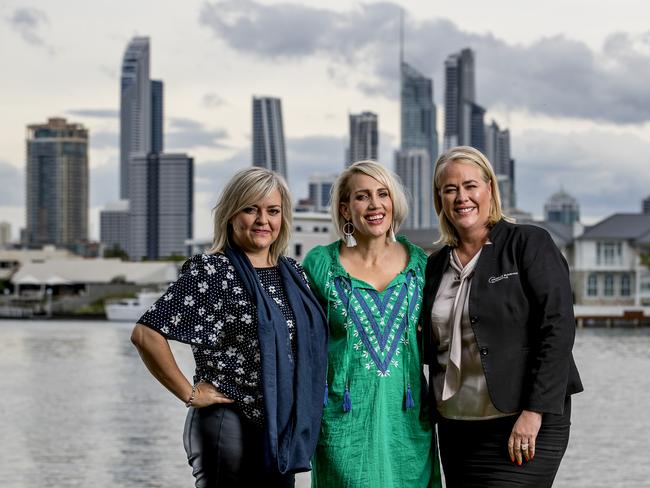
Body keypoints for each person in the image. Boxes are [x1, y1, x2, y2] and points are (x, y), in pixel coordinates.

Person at [130, 167, 328, 487]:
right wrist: (189, 392)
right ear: (231, 215)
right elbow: (145, 333)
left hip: (279, 426)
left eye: (273, 211)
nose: (263, 220)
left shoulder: (293, 273)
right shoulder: (213, 271)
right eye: (251, 209)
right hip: (228, 422)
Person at [422, 146, 583, 487]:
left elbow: (558, 328)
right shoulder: (435, 265)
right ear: (440, 199)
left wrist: (533, 411)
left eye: (470, 186)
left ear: (490, 189)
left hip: (523, 422)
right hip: (457, 427)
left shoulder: (528, 243)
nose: (461, 197)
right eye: (450, 189)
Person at [303, 160, 440, 487]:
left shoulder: (422, 265)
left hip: (405, 423)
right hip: (343, 422)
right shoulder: (321, 265)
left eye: (383, 194)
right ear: (346, 209)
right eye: (362, 197)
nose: (375, 204)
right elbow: (299, 340)